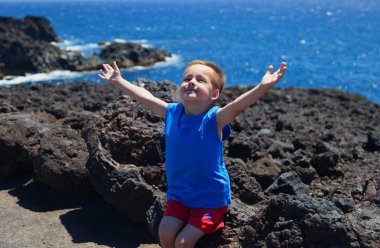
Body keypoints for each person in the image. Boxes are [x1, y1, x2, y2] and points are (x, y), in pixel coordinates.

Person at [98, 60, 287, 248]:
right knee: (165, 232)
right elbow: (145, 97)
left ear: (214, 94)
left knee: (183, 242)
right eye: (187, 78)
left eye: (200, 80)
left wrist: (262, 87)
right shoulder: (172, 113)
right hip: (179, 195)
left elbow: (237, 106)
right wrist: (119, 81)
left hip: (210, 199)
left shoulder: (214, 119)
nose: (192, 82)